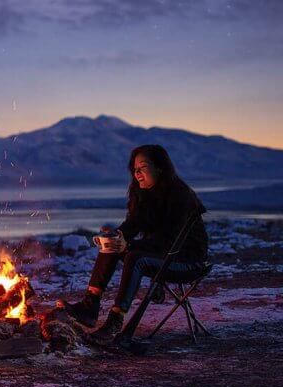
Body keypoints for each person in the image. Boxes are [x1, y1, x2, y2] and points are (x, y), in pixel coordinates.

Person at [61, 144, 208, 343]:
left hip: (186, 260)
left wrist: (130, 247)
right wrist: (119, 236)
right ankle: (90, 306)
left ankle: (115, 321)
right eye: (135, 168)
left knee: (135, 257)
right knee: (111, 244)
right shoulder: (144, 193)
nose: (137, 173)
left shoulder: (180, 195)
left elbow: (170, 240)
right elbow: (134, 224)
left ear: (160, 168)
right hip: (161, 255)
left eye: (143, 167)